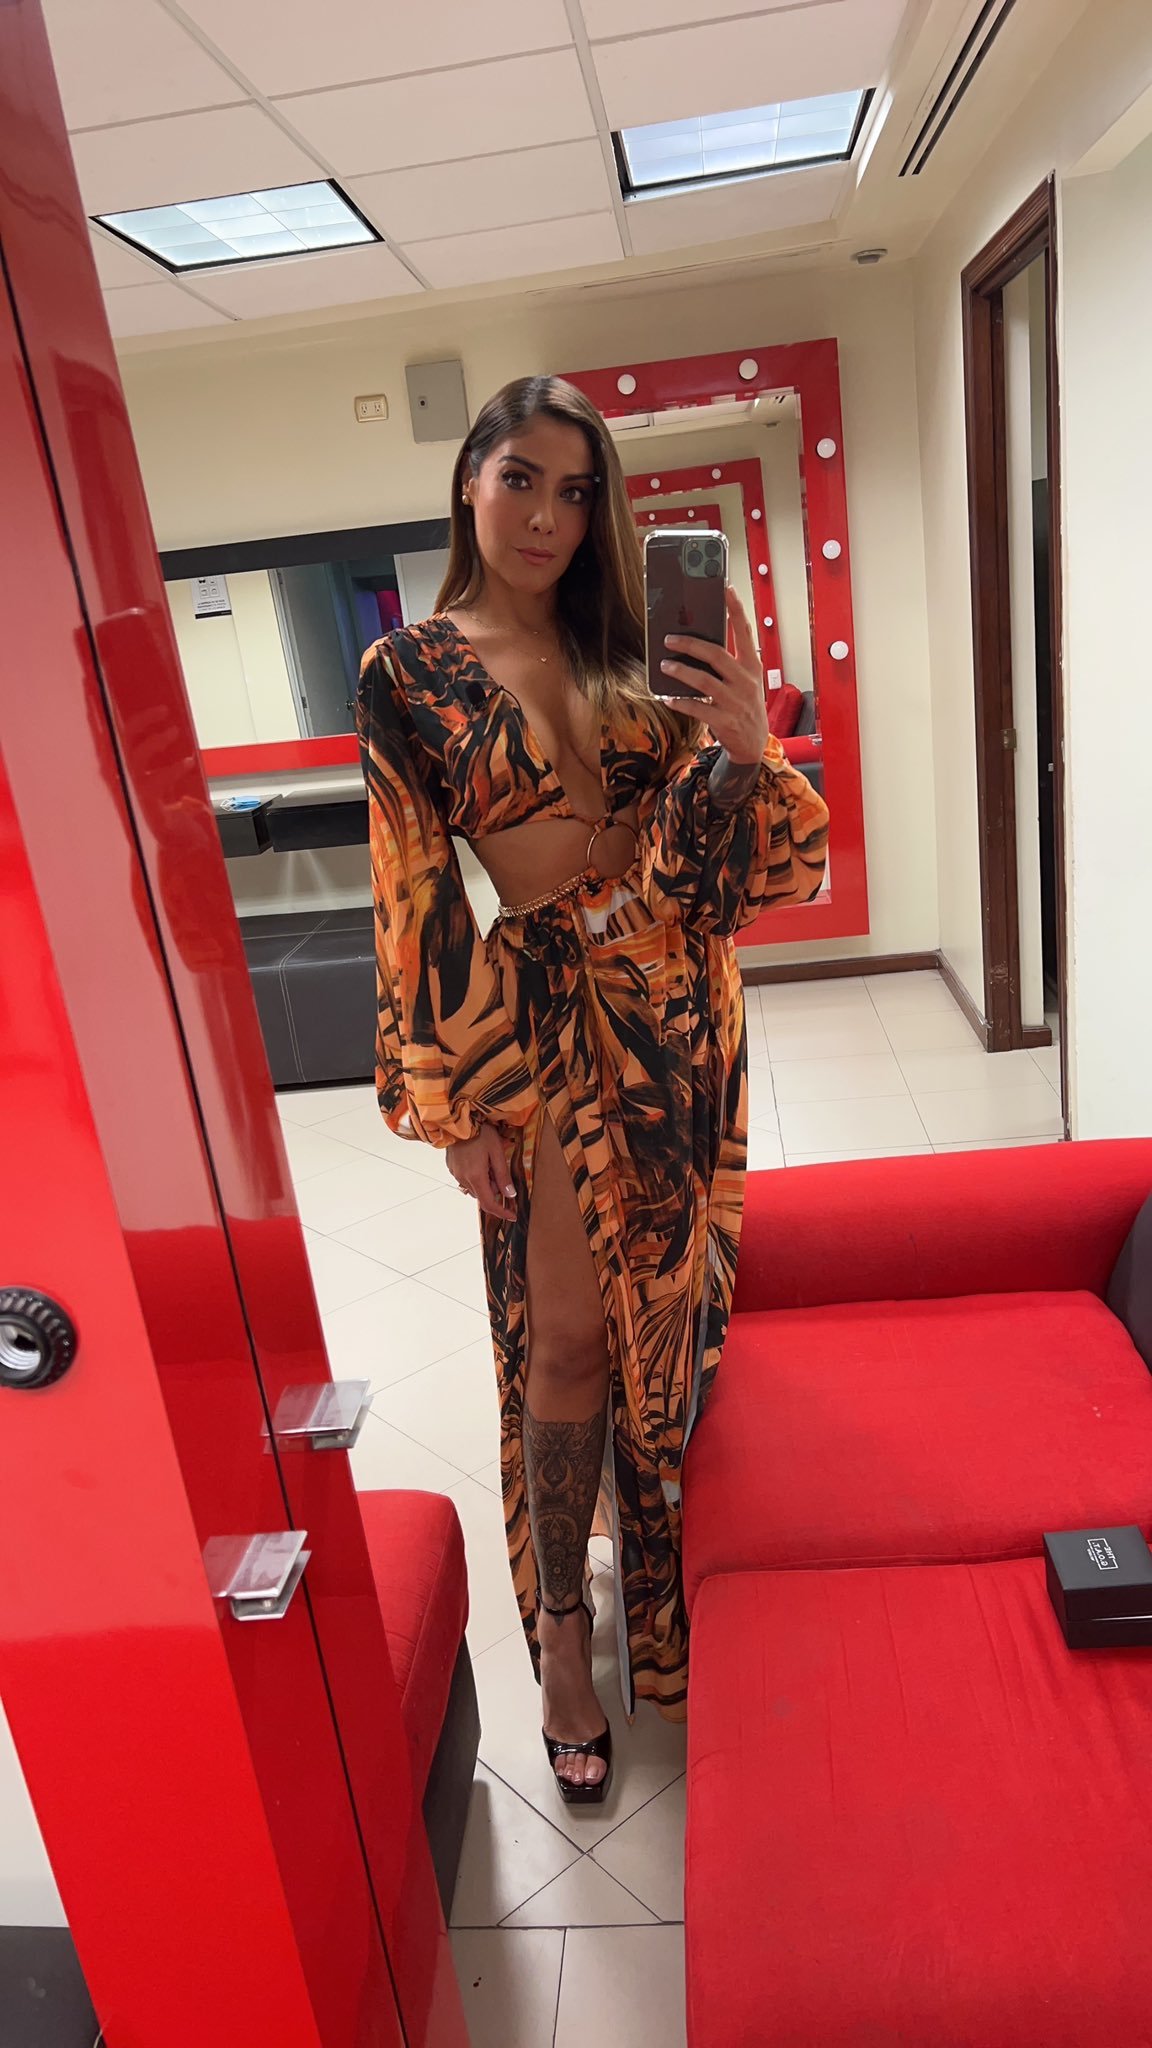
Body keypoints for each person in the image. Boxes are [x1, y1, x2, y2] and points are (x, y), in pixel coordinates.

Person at [355, 375, 828, 1805]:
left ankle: (676, 1591)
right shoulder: (410, 673)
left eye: (576, 491)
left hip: (682, 1014)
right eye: (521, 479)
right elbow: (415, 896)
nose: (548, 516)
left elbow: (731, 875)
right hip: (550, 1031)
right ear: (469, 480)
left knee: (674, 1327)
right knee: (564, 1345)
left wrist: (746, 750)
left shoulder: (646, 644)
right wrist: (458, 1107)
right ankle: (564, 1629)